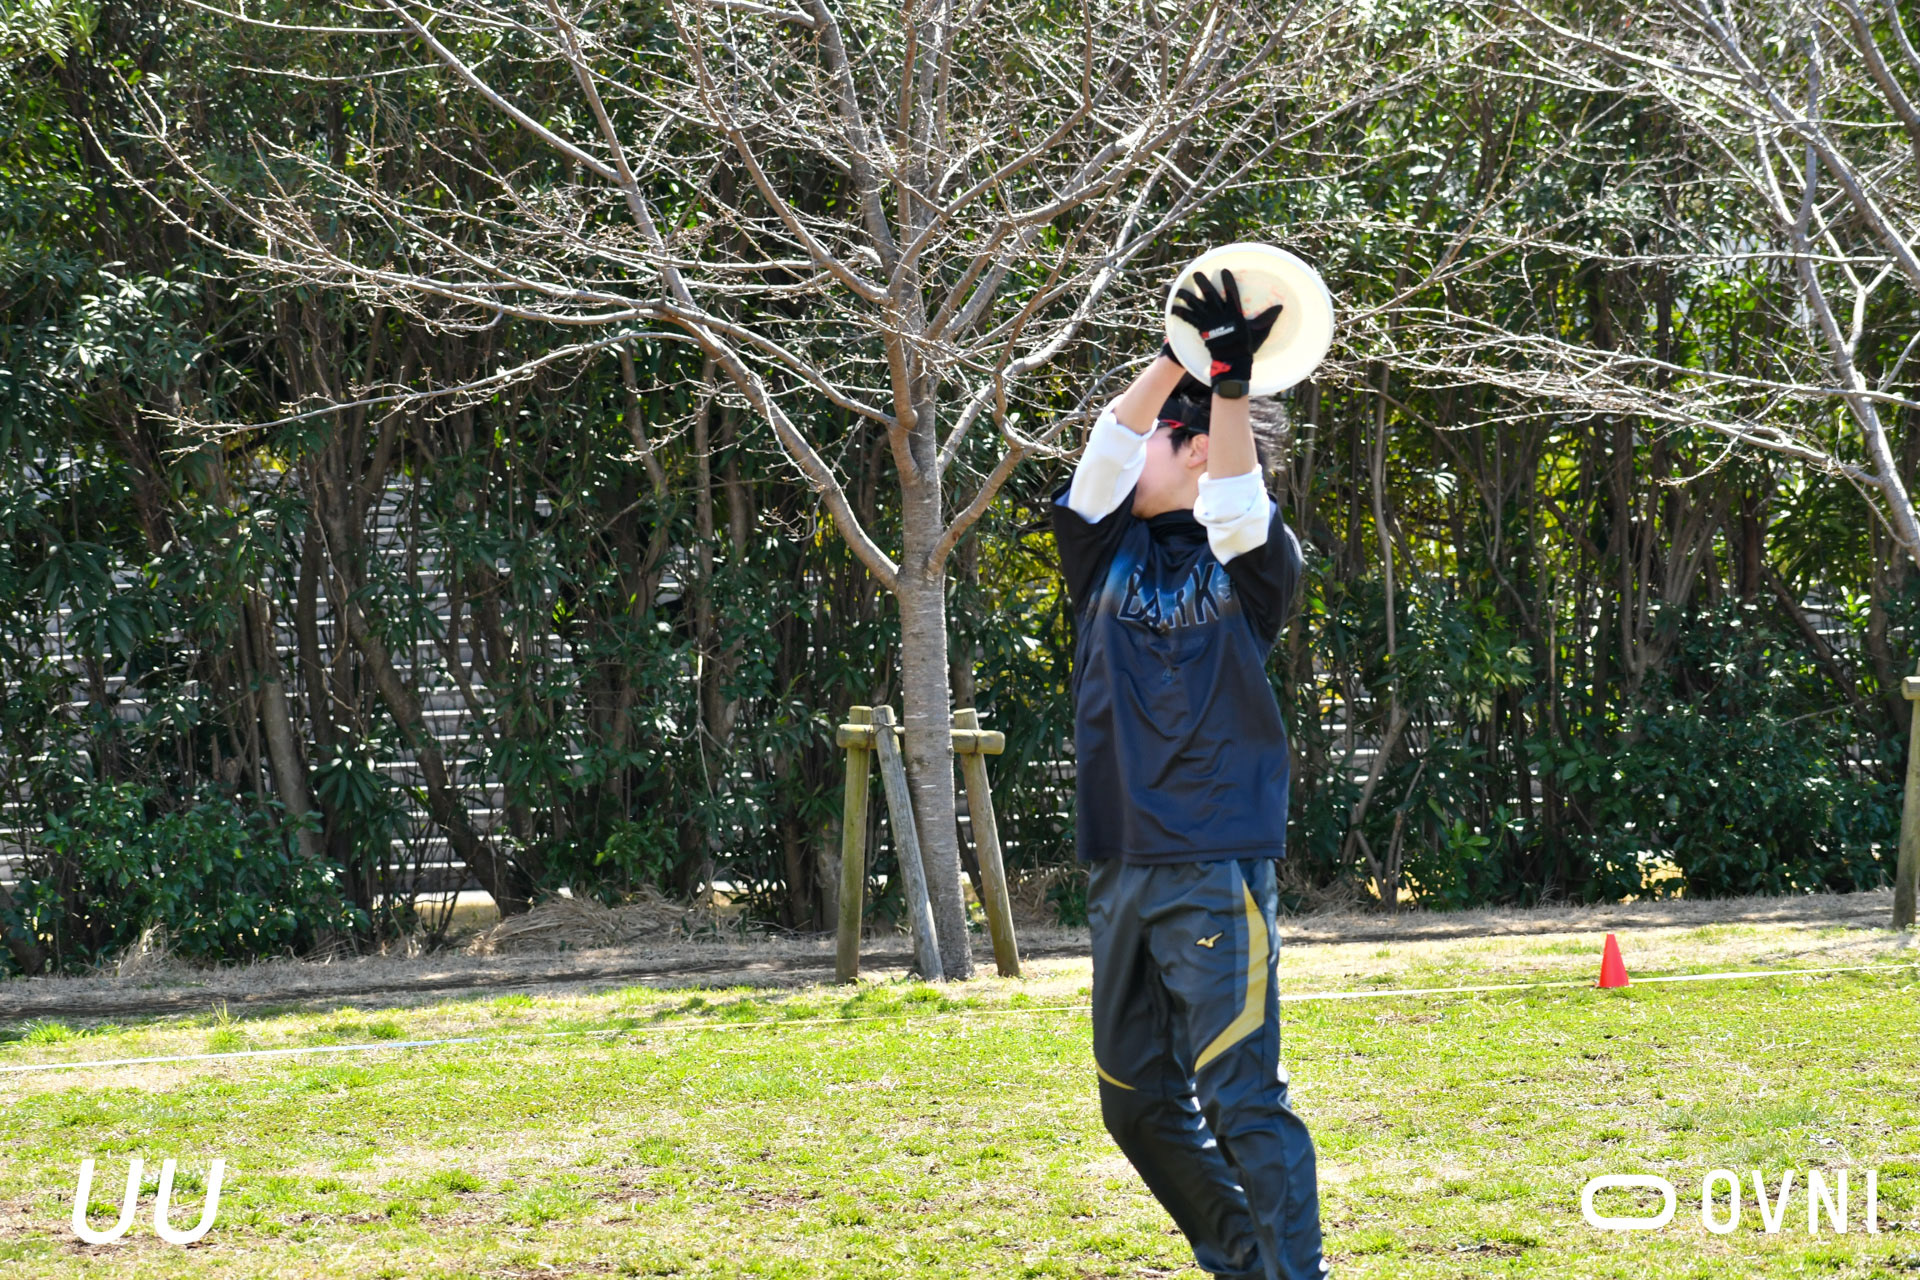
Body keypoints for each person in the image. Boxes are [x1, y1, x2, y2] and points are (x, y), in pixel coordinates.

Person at [1049, 269, 1326, 1280]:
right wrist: (1178, 355)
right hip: (1120, 860)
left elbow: (1241, 508)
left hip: (1212, 862)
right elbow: (1105, 448)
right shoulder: (1102, 549)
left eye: (1164, 439)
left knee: (1240, 1097)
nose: (1136, 454)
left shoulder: (1255, 565)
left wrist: (1230, 388)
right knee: (1135, 1103)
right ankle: (1248, 1259)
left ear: (1200, 449)